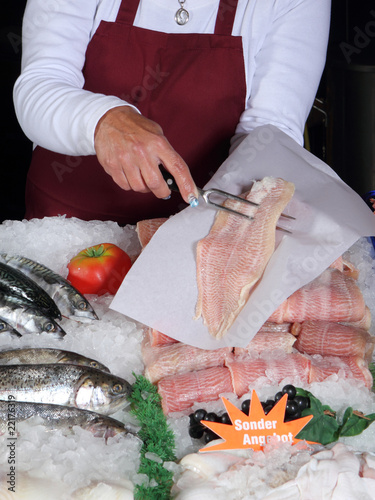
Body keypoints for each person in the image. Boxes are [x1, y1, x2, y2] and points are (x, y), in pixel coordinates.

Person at [14, 0, 331, 225]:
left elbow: (270, 133)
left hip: (198, 232)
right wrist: (102, 121)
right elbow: (39, 85)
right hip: (67, 225)